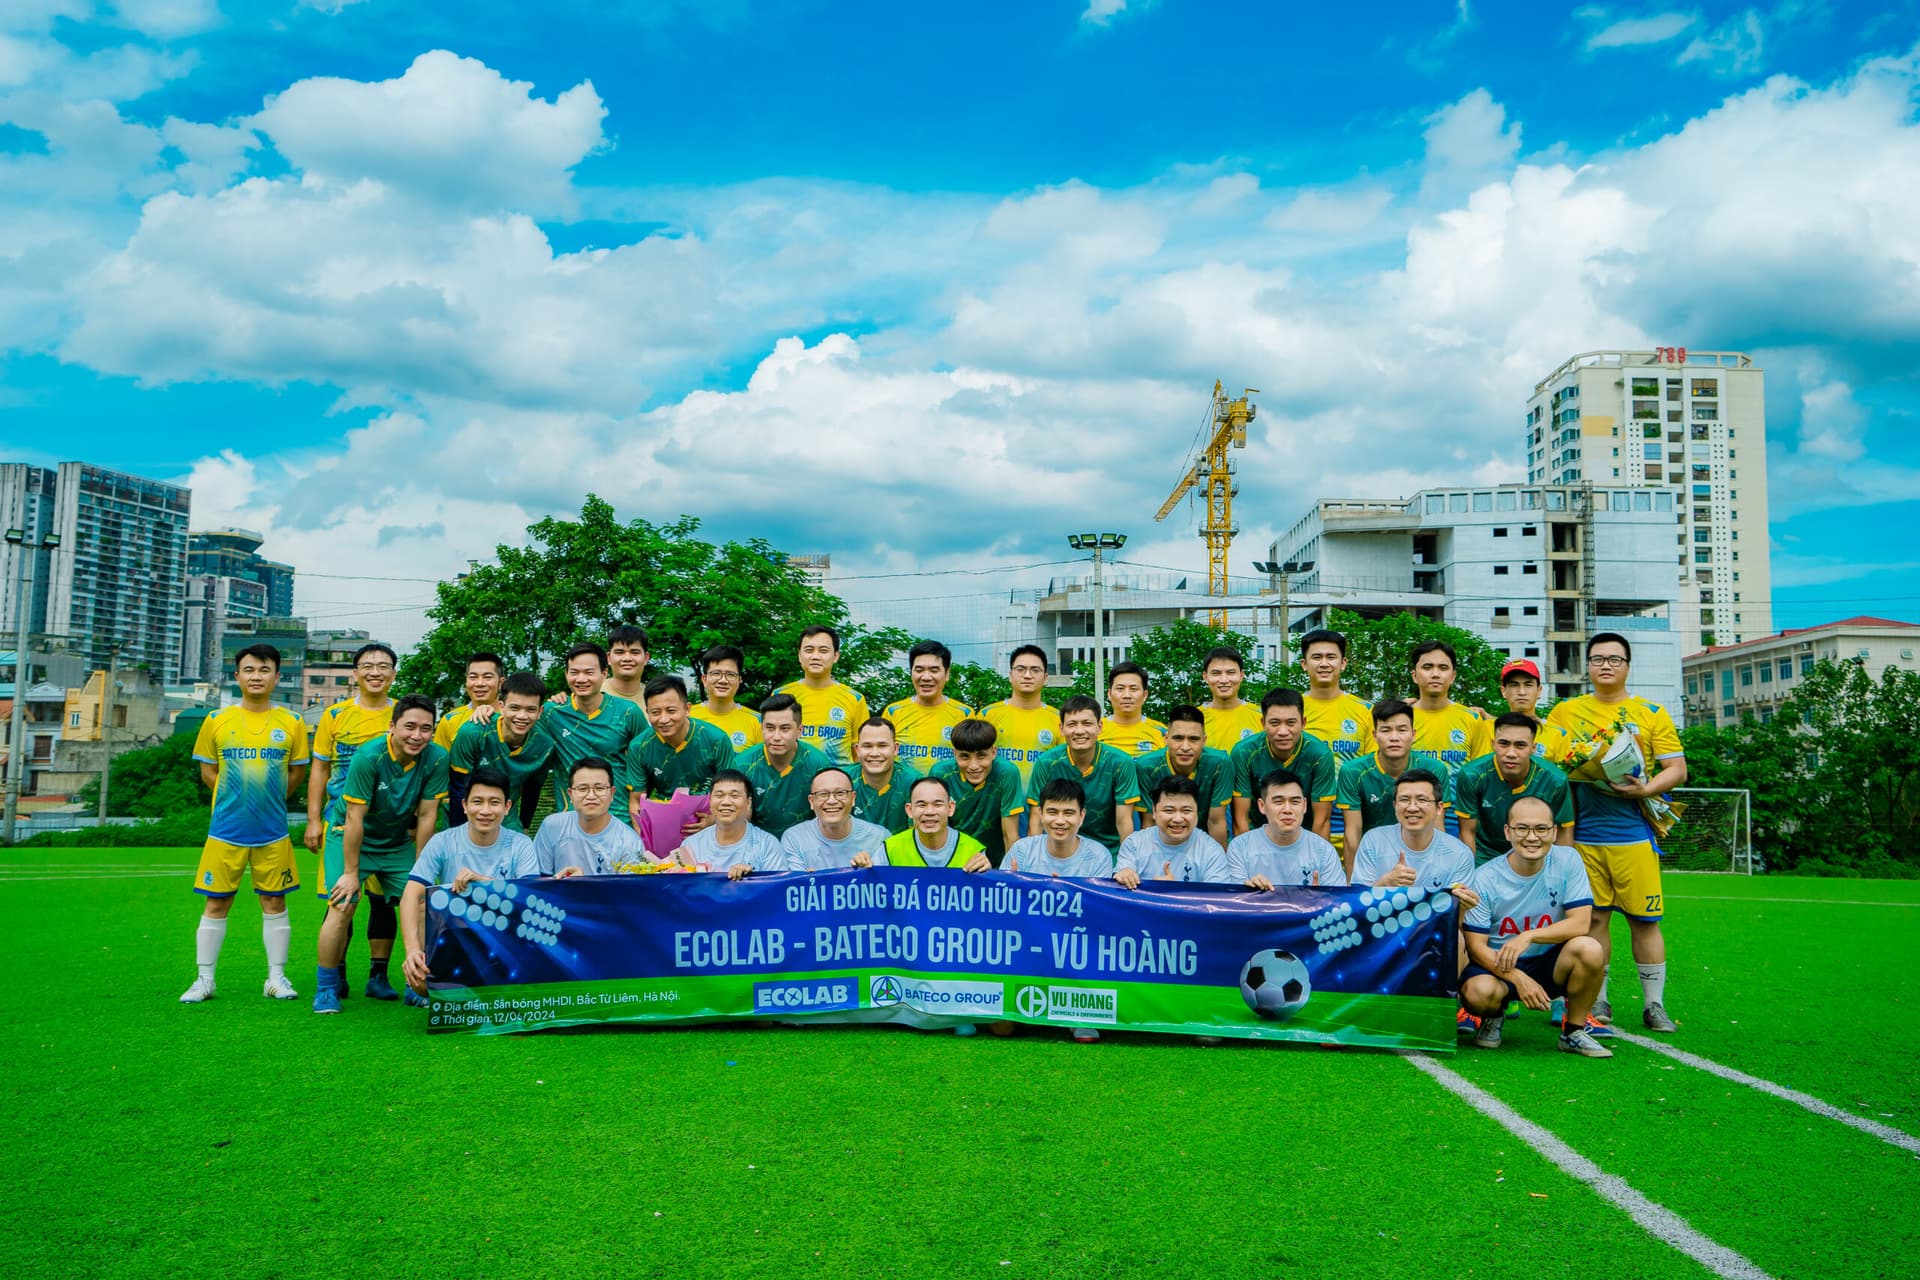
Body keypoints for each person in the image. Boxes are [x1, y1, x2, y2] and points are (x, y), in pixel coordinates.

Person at [1546, 632, 1687, 1034]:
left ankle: (1654, 1004)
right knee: (1594, 920)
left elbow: (1676, 768)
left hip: (1633, 832)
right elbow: (1549, 760)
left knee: (1645, 921)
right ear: (1587, 665)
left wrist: (1646, 788)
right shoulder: (1565, 711)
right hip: (1583, 835)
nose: (1605, 665)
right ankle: (1599, 998)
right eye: (1597, 659)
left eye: (1614, 659)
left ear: (1627, 665)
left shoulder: (1651, 712)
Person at [181, 644, 311, 1004]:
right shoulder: (216, 721)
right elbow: (209, 771)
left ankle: (276, 978)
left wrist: (267, 801)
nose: (257, 676)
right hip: (225, 831)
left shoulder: (293, 722)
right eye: (250, 670)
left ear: (277, 677)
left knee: (275, 902)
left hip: (273, 832)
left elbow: (297, 772)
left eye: (265, 670)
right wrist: (235, 797)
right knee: (216, 904)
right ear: (237, 676)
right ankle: (204, 980)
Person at [313, 695, 448, 1014]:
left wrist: (421, 871)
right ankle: (326, 988)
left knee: (423, 905)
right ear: (392, 726)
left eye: (426, 728)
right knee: (342, 905)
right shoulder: (369, 755)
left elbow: (428, 816)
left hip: (397, 839)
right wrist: (350, 873)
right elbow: (354, 818)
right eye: (410, 727)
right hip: (348, 836)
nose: (417, 735)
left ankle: (417, 985)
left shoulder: (437, 758)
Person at [1460, 796, 1612, 1058]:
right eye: (1522, 828)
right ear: (1508, 832)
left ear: (1554, 832)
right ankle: (1494, 1016)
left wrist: (1528, 936)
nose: (1532, 837)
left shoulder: (1568, 860)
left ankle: (1573, 1030)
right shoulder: (1484, 878)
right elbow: (1475, 948)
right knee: (1478, 992)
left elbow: (1581, 922)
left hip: (1549, 962)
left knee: (1590, 948)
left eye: (1541, 829)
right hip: (1499, 965)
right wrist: (1519, 978)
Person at [1348, 768, 1481, 1036]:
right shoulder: (1374, 840)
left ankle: (1438, 1010)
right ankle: (1363, 1007)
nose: (1413, 807)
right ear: (1394, 805)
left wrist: (1463, 908)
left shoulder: (1458, 853)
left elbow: (1456, 919)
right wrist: (1385, 883)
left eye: (1422, 800)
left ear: (1439, 807)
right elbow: (1355, 906)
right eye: (1405, 800)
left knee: (1456, 938)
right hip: (1381, 930)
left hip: (1429, 936)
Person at [398, 766, 541, 1001]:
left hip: (503, 938)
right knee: (424, 905)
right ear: (464, 806)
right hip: (457, 937)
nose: (485, 810)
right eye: (478, 802)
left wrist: (484, 883)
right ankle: (418, 977)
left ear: (507, 807)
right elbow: (410, 895)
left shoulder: (521, 844)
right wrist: (412, 950)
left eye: (494, 802)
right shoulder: (442, 842)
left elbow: (529, 901)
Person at [304, 641, 397, 998]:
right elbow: (320, 768)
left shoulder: (401, 713)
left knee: (383, 901)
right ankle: (336, 974)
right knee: (342, 899)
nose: (375, 672)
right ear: (355, 673)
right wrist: (314, 819)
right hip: (341, 822)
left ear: (393, 673)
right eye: (368, 665)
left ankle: (378, 976)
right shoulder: (334, 715)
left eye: (383, 665)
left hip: (386, 824)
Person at [1003, 777, 1113, 1042]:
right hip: (1030, 943)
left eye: (1068, 813)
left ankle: (1080, 1012)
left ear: (1082, 816)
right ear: (1040, 814)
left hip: (1077, 945)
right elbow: (1002, 906)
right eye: (1052, 812)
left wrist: (1059, 899)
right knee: (1001, 1028)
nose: (1060, 821)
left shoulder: (1099, 856)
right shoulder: (1023, 850)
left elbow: (1101, 914)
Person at [1335, 698, 1451, 876]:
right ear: (1374, 734)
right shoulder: (1353, 772)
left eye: (1402, 730)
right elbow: (1352, 834)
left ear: (1413, 734)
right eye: (1386, 730)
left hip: (1421, 856)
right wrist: (1355, 888)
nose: (1394, 737)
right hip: (1373, 856)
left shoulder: (1435, 769)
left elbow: (1437, 827)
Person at [1454, 713, 1575, 866]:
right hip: (1486, 855)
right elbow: (1467, 832)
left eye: (1520, 745)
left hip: (1536, 854)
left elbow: (1564, 831)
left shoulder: (1554, 780)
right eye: (1504, 744)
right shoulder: (1472, 775)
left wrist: (1561, 872)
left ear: (1533, 748)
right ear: (1493, 744)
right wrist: (1469, 874)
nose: (1511, 753)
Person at [541, 642, 648, 812]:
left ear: (604, 673)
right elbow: (514, 722)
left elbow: (647, 758)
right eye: (574, 672)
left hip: (618, 815)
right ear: (566, 674)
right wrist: (484, 707)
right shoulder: (551, 713)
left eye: (589, 672)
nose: (581, 679)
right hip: (572, 817)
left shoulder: (628, 712)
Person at [1027, 695, 1140, 852]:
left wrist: (1127, 861)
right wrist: (1034, 860)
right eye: (1072, 724)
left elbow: (1124, 819)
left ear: (1100, 726)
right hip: (1058, 847)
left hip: (1108, 849)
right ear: (1061, 728)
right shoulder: (1046, 762)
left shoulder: (1120, 763)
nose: (1079, 731)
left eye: (1087, 724)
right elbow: (1036, 817)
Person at [626, 675, 735, 834]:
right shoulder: (639, 747)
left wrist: (714, 820)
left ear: (687, 709)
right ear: (647, 712)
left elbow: (733, 790)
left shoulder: (716, 740)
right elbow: (636, 801)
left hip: (710, 824)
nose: (663, 719)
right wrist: (645, 837)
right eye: (655, 712)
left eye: (671, 711)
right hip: (661, 825)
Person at [448, 671, 554, 830]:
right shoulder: (473, 732)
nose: (522, 716)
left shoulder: (544, 745)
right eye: (515, 708)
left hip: (506, 817)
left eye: (531, 710)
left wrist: (524, 828)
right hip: (467, 814)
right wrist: (459, 834)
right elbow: (458, 789)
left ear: (540, 712)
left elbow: (533, 788)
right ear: (501, 706)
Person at [1229, 688, 1337, 842]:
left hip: (1303, 837)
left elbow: (1322, 822)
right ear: (1262, 723)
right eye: (1274, 723)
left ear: (1303, 723)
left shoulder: (1320, 755)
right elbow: (1241, 820)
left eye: (1291, 723)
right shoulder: (1244, 753)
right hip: (1257, 836)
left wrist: (1316, 860)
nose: (1283, 731)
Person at [1226, 771, 1346, 889]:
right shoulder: (1240, 847)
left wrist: (1319, 898)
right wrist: (1251, 893)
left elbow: (1337, 903)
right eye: (1278, 802)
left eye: (1295, 802)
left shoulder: (1324, 851)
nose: (1287, 809)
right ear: (1262, 806)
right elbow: (1233, 902)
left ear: (1304, 806)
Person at [930, 717, 1025, 865]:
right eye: (964, 756)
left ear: (993, 752)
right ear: (954, 754)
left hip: (995, 858)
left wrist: (1010, 875)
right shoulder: (940, 773)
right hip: (952, 858)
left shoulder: (1008, 773)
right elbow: (936, 827)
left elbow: (1010, 833)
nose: (974, 766)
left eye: (981, 756)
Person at [1133, 704, 1231, 846]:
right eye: (1178, 738)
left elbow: (1216, 821)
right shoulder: (1147, 766)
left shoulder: (1219, 764)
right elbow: (1149, 822)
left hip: (1203, 841)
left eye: (1193, 739)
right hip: (1162, 840)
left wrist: (1218, 865)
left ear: (1204, 741)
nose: (1185, 747)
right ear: (1166, 739)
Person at [736, 693, 833, 837]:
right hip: (757, 844)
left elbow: (828, 814)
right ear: (761, 728)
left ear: (799, 731)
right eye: (770, 728)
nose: (776, 737)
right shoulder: (743, 764)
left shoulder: (817, 763)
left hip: (806, 844)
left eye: (785, 729)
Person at [535, 757, 650, 876]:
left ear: (612, 793)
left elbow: (629, 891)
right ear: (570, 794)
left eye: (599, 788)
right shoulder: (552, 826)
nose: (591, 796)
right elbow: (538, 882)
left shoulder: (629, 841)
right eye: (582, 789)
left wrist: (584, 885)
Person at [1115, 775, 1231, 887]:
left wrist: (1174, 891)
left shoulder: (1212, 851)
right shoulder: (1134, 844)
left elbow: (1216, 900)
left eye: (1186, 811)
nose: (1178, 819)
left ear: (1197, 812)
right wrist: (1124, 875)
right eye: (1169, 811)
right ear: (1154, 811)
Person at [776, 624, 870, 763]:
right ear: (799, 655)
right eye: (809, 650)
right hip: (793, 781)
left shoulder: (854, 699)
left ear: (836, 656)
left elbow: (860, 752)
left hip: (838, 782)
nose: (815, 656)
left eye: (823, 650)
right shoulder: (781, 695)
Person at [673, 769, 787, 878]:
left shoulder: (767, 845)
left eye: (734, 796)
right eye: (719, 795)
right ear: (710, 801)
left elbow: (778, 891)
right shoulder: (691, 846)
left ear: (748, 802)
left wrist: (752, 880)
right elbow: (682, 891)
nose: (726, 802)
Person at [979, 645, 1062, 789]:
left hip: (1040, 806)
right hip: (996, 805)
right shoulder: (988, 715)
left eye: (1035, 670)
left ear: (1045, 678)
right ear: (1010, 675)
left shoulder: (1059, 719)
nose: (1027, 675)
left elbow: (1062, 767)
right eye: (1021, 669)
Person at [883, 639, 973, 770]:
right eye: (919, 670)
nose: (926, 677)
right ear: (911, 673)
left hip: (946, 790)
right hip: (904, 790)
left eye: (934, 670)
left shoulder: (964, 714)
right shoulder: (893, 712)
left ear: (947, 674)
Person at [780, 766, 891, 870]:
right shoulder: (794, 838)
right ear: (811, 801)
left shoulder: (879, 837)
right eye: (823, 794)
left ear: (853, 798)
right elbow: (793, 885)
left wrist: (870, 874)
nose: (832, 801)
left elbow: (886, 884)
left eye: (840, 793)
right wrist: (805, 883)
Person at [1408, 639, 1492, 772]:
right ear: (1414, 676)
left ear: (1453, 676)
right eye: (1427, 667)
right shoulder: (1401, 719)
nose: (1435, 674)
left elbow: (1482, 773)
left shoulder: (1472, 719)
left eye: (1443, 668)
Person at [1298, 629, 1375, 763]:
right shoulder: (1292, 710)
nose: (1324, 664)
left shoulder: (1367, 710)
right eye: (1317, 657)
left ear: (1343, 663)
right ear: (1304, 664)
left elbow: (1373, 765)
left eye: (1331, 657)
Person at [883, 775, 991, 870]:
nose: (929, 812)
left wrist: (987, 874)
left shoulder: (973, 851)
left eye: (938, 804)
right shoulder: (890, 849)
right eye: (922, 805)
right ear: (909, 810)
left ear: (950, 808)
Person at [850, 716, 920, 834]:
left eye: (882, 746)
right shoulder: (842, 780)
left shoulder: (914, 783)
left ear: (895, 748)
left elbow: (918, 836)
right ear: (857, 750)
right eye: (867, 746)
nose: (875, 753)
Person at [689, 644, 761, 751]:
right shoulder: (687, 717)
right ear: (704, 679)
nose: (723, 680)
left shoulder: (757, 721)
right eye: (716, 673)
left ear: (739, 680)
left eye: (730, 674)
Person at [1499, 658, 1572, 763]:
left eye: (1528, 685)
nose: (1522, 692)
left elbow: (1562, 776)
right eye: (1514, 685)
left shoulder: (1557, 735)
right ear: (1503, 691)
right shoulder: (1489, 730)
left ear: (1539, 691)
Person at [433, 651, 503, 753]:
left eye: (487, 677)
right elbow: (439, 763)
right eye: (473, 677)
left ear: (501, 682)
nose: (479, 683)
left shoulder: (512, 718)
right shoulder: (449, 720)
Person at [1200, 646, 1261, 752]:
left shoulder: (1261, 716)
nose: (1224, 680)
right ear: (1205, 676)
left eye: (1231, 672)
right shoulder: (1194, 718)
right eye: (1216, 673)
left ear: (1241, 675)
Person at [1098, 661, 1165, 757]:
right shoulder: (1094, 730)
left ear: (1145, 695)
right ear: (1109, 694)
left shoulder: (1161, 732)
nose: (1127, 695)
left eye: (1133, 689)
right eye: (1120, 689)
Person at [604, 624, 652, 702]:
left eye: (635, 652)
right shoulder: (593, 692)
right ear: (608, 658)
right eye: (619, 652)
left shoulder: (655, 697)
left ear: (646, 658)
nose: (627, 658)